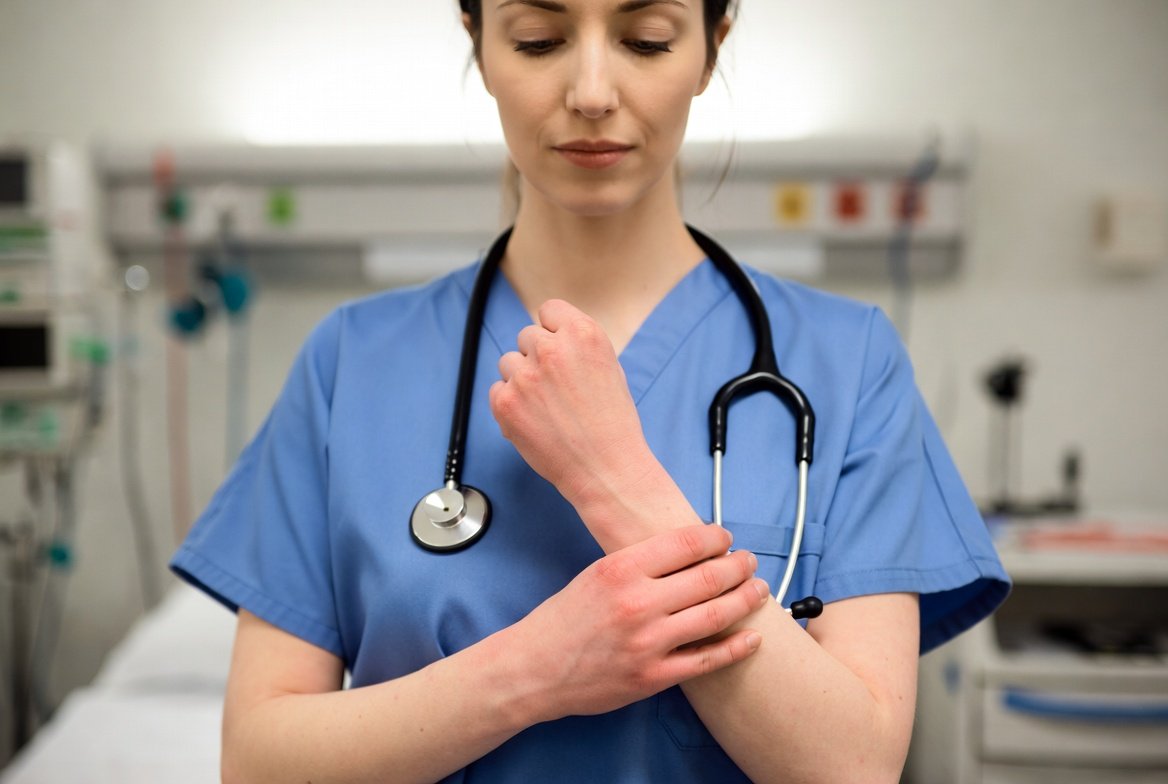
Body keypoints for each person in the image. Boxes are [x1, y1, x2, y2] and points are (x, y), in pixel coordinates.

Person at [170, 1, 1010, 781]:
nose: (593, 92)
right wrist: (535, 671)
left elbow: (852, 767)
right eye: (539, 38)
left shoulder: (848, 361)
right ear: (480, 43)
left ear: (713, 47)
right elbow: (258, 760)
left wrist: (614, 475)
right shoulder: (352, 361)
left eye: (647, 39)